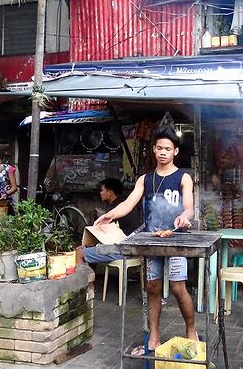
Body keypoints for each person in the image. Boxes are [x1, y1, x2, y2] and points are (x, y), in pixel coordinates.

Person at [95, 126, 196, 350]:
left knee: (179, 288)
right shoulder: (145, 179)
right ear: (153, 149)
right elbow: (128, 203)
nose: (162, 152)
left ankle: (190, 328)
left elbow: (189, 207)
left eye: (167, 149)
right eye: (159, 147)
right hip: (152, 239)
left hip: (177, 239)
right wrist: (109, 215)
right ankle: (154, 335)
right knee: (152, 287)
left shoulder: (183, 177)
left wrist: (184, 217)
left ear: (175, 152)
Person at [82, 177, 142, 264]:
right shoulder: (126, 203)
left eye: (102, 190)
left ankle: (88, 277)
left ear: (110, 192)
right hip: (135, 246)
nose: (100, 193)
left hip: (124, 248)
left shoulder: (116, 207)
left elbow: (104, 233)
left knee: (80, 253)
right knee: (90, 249)